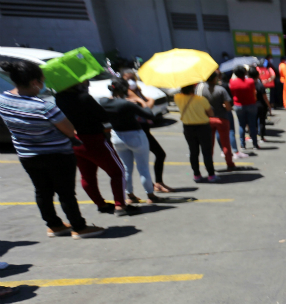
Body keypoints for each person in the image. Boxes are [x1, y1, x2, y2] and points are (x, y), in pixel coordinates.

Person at [0, 60, 103, 238]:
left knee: (42, 190)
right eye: (42, 81)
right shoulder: (45, 107)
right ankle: (79, 227)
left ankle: (54, 225)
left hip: (27, 155)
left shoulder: (3, 99)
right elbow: (69, 130)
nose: (43, 85)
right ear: (34, 83)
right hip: (57, 155)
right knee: (66, 193)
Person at [54, 81, 128, 215]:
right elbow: (102, 115)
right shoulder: (84, 97)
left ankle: (101, 204)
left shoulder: (59, 98)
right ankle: (120, 205)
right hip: (94, 139)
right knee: (118, 172)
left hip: (74, 140)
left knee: (87, 175)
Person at [101, 78, 163, 206]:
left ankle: (130, 195)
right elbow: (149, 115)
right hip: (135, 135)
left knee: (126, 168)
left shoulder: (104, 101)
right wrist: (141, 101)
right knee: (143, 167)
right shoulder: (127, 104)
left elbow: (111, 102)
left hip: (117, 136)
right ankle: (150, 195)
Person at [121, 69, 171, 193]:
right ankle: (151, 189)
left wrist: (146, 100)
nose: (131, 81)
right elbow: (147, 107)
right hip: (138, 130)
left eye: (133, 78)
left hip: (144, 129)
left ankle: (157, 184)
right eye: (128, 79)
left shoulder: (136, 90)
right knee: (154, 157)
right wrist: (148, 101)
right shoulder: (128, 94)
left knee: (157, 155)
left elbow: (146, 103)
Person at [174, 83, 217, 182]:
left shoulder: (177, 97)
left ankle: (196, 174)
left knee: (193, 152)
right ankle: (211, 174)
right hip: (203, 127)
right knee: (206, 151)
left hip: (188, 127)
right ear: (193, 89)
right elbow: (211, 113)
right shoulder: (201, 99)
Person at [197, 71, 237, 171]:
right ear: (215, 79)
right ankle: (229, 163)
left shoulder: (201, 89)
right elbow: (228, 107)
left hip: (207, 119)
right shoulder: (221, 90)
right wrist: (224, 106)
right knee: (225, 143)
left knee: (209, 144)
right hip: (221, 118)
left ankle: (209, 164)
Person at [229, 66, 259, 151]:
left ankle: (242, 145)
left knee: (241, 125)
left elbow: (232, 93)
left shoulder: (232, 82)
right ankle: (255, 144)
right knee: (252, 125)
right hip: (251, 104)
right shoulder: (250, 81)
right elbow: (254, 92)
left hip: (238, 106)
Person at [250, 68, 271, 141]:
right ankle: (262, 137)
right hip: (261, 105)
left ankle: (253, 136)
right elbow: (265, 97)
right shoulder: (260, 85)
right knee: (262, 121)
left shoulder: (249, 85)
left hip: (252, 105)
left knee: (253, 122)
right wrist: (269, 105)